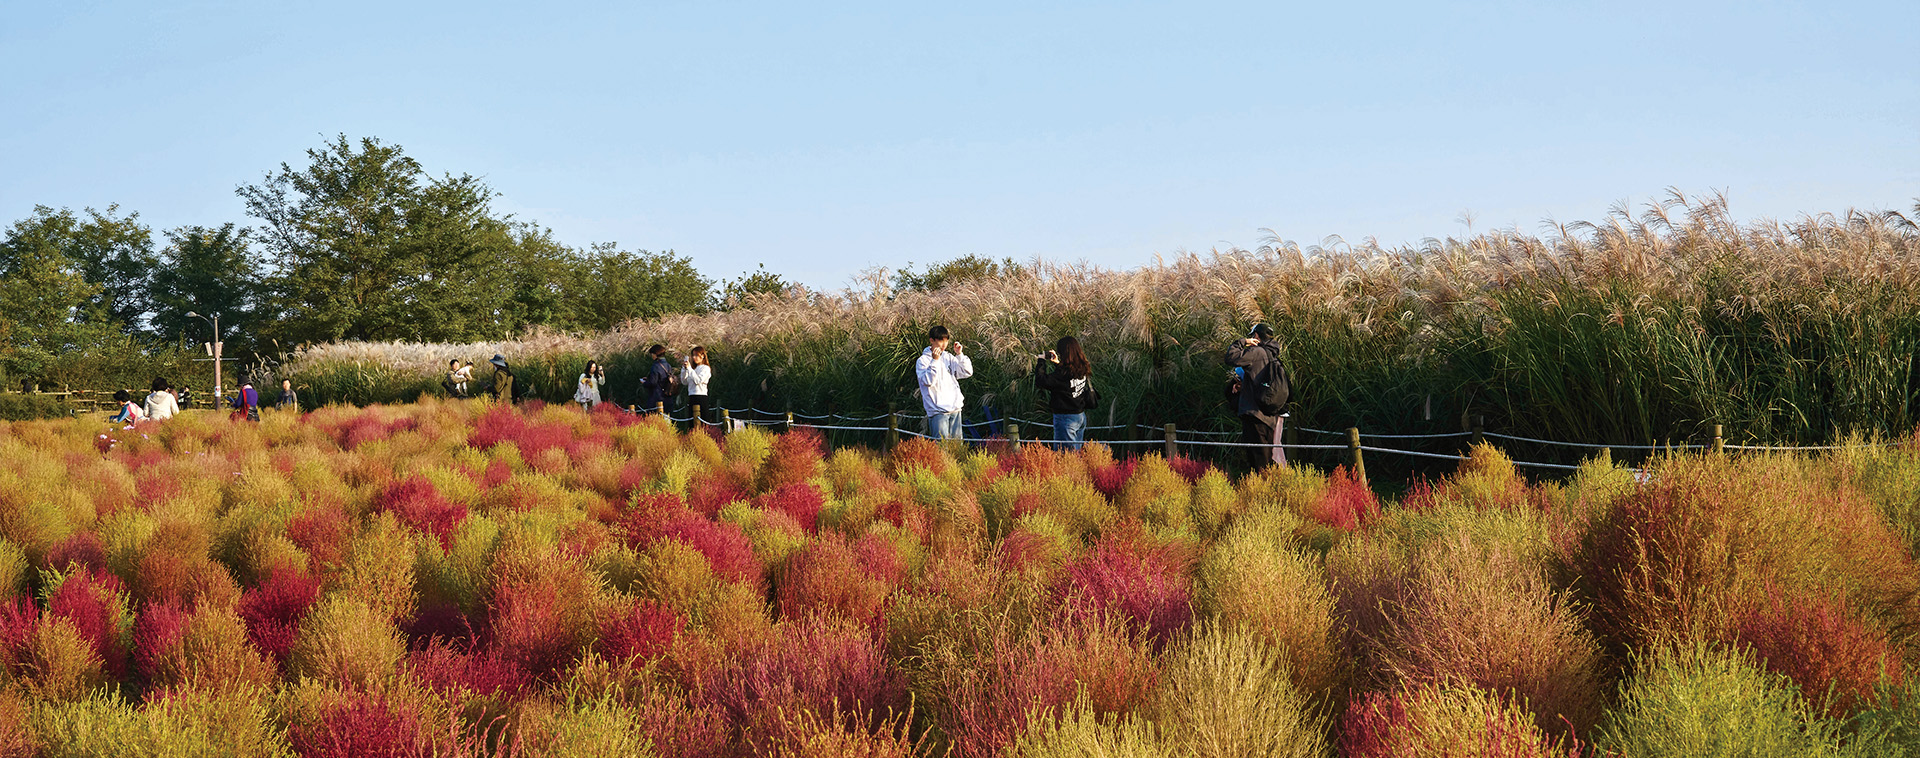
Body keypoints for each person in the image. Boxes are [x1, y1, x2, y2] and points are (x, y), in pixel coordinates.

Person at [1224, 323, 1290, 469]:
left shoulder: (1257, 352)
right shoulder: (1273, 355)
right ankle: (1265, 487)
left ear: (1257, 336)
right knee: (1266, 458)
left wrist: (1242, 342)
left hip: (1255, 414)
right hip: (1269, 415)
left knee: (1258, 462)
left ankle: (1260, 490)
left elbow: (1230, 357)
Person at [1035, 336, 1098, 450]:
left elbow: (1041, 381)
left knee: (1065, 458)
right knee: (1075, 456)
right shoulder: (1082, 367)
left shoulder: (1062, 374)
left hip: (1066, 419)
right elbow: (1067, 379)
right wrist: (1057, 363)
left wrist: (1041, 360)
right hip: (1080, 416)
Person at [915, 325, 974, 440]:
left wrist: (959, 355)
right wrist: (935, 361)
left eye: (946, 341)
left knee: (957, 448)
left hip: (955, 408)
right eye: (941, 340)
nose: (944, 344)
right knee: (942, 448)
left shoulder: (948, 357)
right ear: (932, 340)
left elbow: (967, 372)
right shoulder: (923, 361)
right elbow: (927, 381)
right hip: (938, 411)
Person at [640, 345, 676, 413]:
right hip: (667, 395)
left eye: (652, 354)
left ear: (656, 354)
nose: (652, 356)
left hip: (657, 396)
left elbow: (653, 382)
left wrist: (644, 383)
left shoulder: (656, 366)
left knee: (655, 418)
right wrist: (649, 378)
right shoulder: (668, 365)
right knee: (666, 418)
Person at [680, 345, 712, 419]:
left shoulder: (705, 368)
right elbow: (684, 381)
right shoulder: (693, 369)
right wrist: (684, 369)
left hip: (701, 396)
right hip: (691, 395)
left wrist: (689, 369)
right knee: (691, 421)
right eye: (693, 355)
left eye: (697, 355)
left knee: (702, 420)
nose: (694, 357)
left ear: (703, 356)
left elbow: (698, 381)